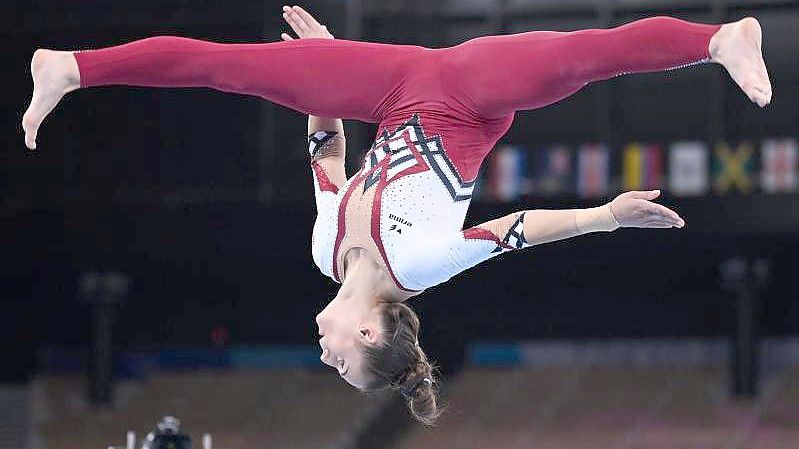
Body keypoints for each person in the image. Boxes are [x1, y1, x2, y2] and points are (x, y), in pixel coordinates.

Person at [21, 5, 771, 425]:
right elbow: (517, 232)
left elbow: (323, 148)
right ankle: (716, 40)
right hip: (469, 96)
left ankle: (70, 66)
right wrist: (606, 213)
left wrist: (321, 68)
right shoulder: (421, 264)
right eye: (342, 359)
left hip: (387, 92)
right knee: (583, 56)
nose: (324, 354)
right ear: (373, 333)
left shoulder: (325, 253)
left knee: (234, 69)